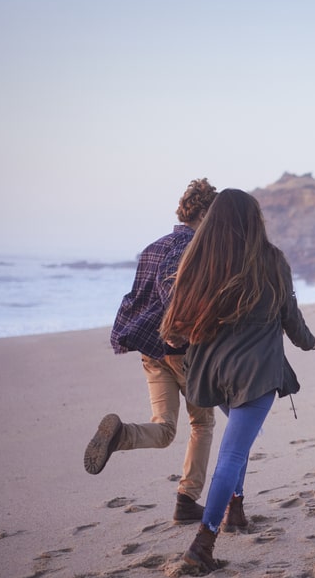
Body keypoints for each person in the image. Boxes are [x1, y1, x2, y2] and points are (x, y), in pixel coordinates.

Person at [159, 188, 315, 574]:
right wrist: (308, 343)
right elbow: (289, 316)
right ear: (254, 220)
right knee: (232, 452)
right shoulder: (272, 260)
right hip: (256, 373)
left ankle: (236, 509)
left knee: (237, 439)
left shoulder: (199, 261)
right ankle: (203, 544)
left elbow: (173, 334)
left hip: (212, 372)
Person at [84, 178, 218, 525]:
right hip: (180, 351)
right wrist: (177, 328)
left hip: (150, 351)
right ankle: (187, 500)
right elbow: (170, 284)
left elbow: (135, 298)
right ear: (202, 213)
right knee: (202, 423)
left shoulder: (153, 247)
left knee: (165, 429)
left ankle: (121, 435)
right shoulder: (192, 245)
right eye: (212, 215)